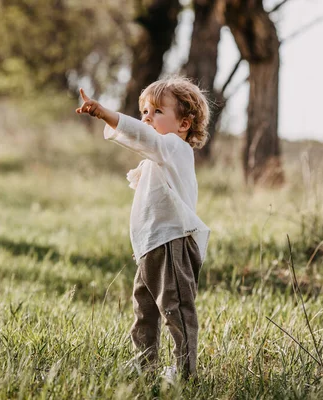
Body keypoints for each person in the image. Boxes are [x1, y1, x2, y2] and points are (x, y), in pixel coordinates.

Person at [76, 76, 211, 380]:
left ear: (184, 124)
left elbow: (143, 137)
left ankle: (185, 371)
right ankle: (145, 363)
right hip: (151, 245)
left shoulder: (175, 148)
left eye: (157, 112)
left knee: (176, 309)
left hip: (172, 244)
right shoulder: (158, 157)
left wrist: (105, 113)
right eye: (145, 112)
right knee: (145, 309)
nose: (147, 118)